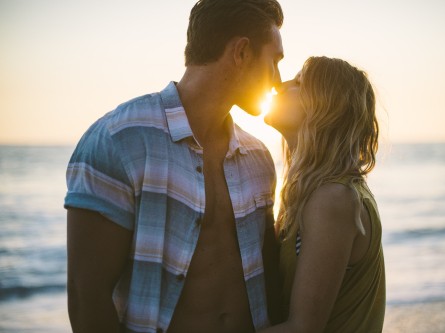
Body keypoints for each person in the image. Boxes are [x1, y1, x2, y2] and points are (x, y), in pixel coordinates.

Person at [64, 0, 284, 332]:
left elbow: (270, 282)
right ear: (241, 52)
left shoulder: (258, 159)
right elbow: (87, 301)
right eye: (274, 61)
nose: (278, 80)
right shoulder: (121, 141)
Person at [260, 56, 386, 332]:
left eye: (298, 83)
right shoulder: (321, 191)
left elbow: (302, 328)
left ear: (324, 106)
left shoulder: (333, 198)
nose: (280, 85)